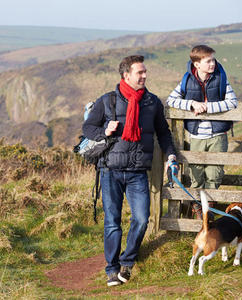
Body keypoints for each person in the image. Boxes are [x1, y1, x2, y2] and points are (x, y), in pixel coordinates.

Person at [83, 55, 177, 286]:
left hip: (137, 172)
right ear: (126, 75)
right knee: (113, 221)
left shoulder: (152, 103)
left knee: (142, 219)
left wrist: (171, 155)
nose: (144, 76)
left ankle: (128, 260)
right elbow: (87, 127)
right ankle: (112, 269)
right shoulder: (107, 101)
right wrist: (104, 131)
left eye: (145, 72)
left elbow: (163, 133)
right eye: (140, 73)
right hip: (110, 170)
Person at [166, 45, 238, 218]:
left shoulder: (221, 79)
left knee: (214, 173)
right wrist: (191, 104)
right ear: (197, 64)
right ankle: (198, 206)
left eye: (213, 60)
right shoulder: (187, 80)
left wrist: (208, 107)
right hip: (196, 135)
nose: (213, 63)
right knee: (196, 173)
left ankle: (209, 209)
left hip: (218, 135)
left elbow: (233, 102)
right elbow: (171, 100)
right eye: (208, 61)